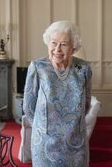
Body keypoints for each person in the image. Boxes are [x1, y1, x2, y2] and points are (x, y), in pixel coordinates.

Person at [23, 20, 92, 167]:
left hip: (76, 144)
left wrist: (72, 127)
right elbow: (29, 108)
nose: (57, 49)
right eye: (54, 43)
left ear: (73, 47)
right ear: (48, 43)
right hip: (45, 144)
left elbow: (86, 105)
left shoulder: (84, 69)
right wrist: (43, 128)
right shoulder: (37, 68)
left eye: (64, 44)